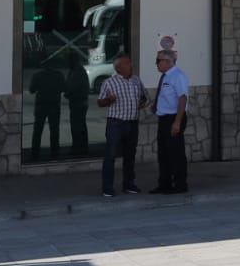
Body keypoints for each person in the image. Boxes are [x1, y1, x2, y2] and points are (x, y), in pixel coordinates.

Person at [97, 54, 146, 197]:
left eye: (130, 62)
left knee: (130, 155)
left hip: (132, 123)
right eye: (127, 63)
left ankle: (129, 184)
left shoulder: (136, 80)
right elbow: (100, 102)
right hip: (116, 124)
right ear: (118, 67)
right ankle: (107, 188)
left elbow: (144, 96)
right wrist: (109, 100)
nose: (131, 65)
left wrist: (142, 102)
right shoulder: (109, 83)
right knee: (110, 156)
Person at [150, 49, 189, 194]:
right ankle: (164, 184)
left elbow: (183, 99)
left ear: (167, 61)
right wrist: (155, 106)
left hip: (174, 118)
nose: (156, 64)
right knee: (163, 153)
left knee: (176, 153)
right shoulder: (166, 77)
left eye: (158, 60)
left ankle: (180, 184)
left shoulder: (178, 76)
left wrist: (177, 122)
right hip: (164, 118)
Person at [28, 60, 64, 160]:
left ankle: (35, 153)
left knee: (37, 131)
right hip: (54, 105)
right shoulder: (58, 75)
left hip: (41, 106)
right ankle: (54, 153)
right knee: (54, 131)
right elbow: (63, 88)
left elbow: (31, 90)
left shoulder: (37, 75)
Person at [64, 53, 91, 155]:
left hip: (78, 103)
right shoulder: (76, 71)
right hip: (78, 102)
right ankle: (80, 147)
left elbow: (75, 87)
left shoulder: (78, 71)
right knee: (79, 126)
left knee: (77, 126)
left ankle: (79, 148)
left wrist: (68, 93)